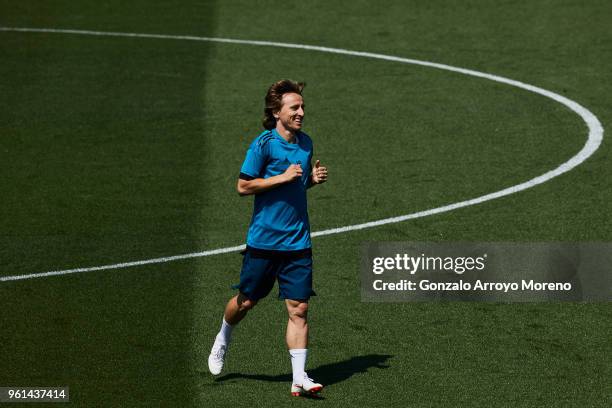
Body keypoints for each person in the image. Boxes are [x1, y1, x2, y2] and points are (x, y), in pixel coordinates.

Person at [208, 79, 328, 397]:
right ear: (277, 112)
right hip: (264, 242)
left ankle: (299, 377)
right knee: (246, 301)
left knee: (299, 308)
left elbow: (295, 187)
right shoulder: (263, 144)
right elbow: (243, 186)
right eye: (295, 107)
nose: (301, 112)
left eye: (302, 107)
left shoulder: (306, 143)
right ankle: (223, 337)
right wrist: (282, 176)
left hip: (298, 243)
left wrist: (310, 181)